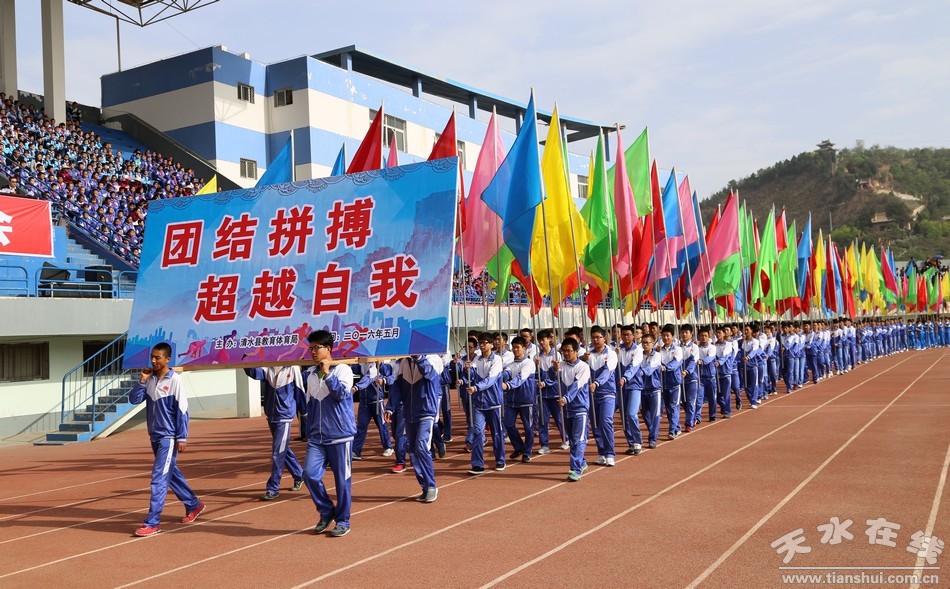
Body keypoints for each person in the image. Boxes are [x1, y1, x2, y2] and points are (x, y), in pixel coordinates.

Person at [129, 342, 205, 537]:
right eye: (152, 357)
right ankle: (193, 504)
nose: (154, 361)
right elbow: (134, 400)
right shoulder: (150, 379)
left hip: (168, 437)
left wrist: (182, 436)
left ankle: (152, 522)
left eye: (158, 358)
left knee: (159, 478)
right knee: (170, 473)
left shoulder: (175, 380)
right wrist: (142, 380)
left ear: (168, 359)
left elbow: (182, 410)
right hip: (154, 435)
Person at [301, 330, 355, 537]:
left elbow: (341, 394)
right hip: (317, 437)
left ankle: (343, 520)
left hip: (341, 436)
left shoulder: (343, 370)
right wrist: (309, 431)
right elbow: (310, 405)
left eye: (317, 348)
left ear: (329, 349)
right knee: (309, 475)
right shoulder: (311, 375)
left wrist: (328, 373)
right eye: (311, 348)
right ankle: (326, 510)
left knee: (342, 481)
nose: (313, 352)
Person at [385, 355, 444, 503]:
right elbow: (397, 387)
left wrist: (419, 358)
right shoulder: (404, 362)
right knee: (413, 451)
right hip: (409, 413)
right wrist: (390, 407)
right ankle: (425, 487)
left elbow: (429, 373)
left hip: (426, 411)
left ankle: (431, 486)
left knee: (421, 446)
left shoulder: (432, 359)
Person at [243, 366, 306, 500]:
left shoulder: (293, 368)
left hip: (285, 416)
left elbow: (300, 391)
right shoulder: (267, 366)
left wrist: (305, 413)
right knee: (283, 449)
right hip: (272, 416)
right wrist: (244, 360)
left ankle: (273, 488)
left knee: (278, 453)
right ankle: (300, 475)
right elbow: (254, 373)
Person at [463, 332, 506, 474]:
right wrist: (467, 370)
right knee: (477, 433)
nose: (481, 345)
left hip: (493, 403)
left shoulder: (497, 360)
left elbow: (490, 380)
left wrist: (476, 388)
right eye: (480, 343)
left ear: (491, 344)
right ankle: (477, 464)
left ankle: (500, 460)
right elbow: (470, 377)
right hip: (478, 403)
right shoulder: (477, 359)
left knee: (497, 433)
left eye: (484, 343)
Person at [555, 338, 591, 481]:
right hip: (566, 409)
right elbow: (552, 379)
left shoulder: (583, 367)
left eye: (569, 351)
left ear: (576, 351)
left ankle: (575, 470)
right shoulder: (561, 366)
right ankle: (582, 462)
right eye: (564, 351)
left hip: (580, 408)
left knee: (578, 439)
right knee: (572, 440)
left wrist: (566, 398)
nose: (566, 353)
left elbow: (577, 385)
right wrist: (553, 370)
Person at [587, 326, 618, 466]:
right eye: (593, 337)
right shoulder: (589, 355)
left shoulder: (611, 354)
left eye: (598, 337)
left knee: (606, 421)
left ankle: (610, 453)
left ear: (604, 338)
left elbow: (607, 372)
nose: (595, 340)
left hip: (607, 393)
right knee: (595, 424)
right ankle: (602, 452)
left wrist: (597, 383)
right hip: (592, 394)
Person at [502, 336, 536, 463]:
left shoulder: (529, 363)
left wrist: (508, 385)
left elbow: (521, 378)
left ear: (524, 348)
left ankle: (527, 452)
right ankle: (519, 447)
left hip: (526, 400)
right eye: (514, 347)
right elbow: (505, 374)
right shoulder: (510, 365)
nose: (515, 350)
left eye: (518, 347)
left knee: (528, 427)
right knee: (508, 423)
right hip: (511, 400)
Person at [351, 361, 394, 461]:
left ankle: (388, 446)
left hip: (376, 400)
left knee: (381, 425)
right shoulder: (361, 364)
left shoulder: (375, 365)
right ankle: (356, 450)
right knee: (361, 426)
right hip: (364, 401)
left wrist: (356, 387)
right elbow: (353, 369)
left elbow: (369, 377)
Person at [535, 329, 568, 454]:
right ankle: (544, 445)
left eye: (543, 340)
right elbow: (535, 375)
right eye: (539, 340)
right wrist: (536, 366)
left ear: (549, 339)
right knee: (543, 420)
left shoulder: (556, 355)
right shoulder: (537, 356)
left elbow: (557, 375)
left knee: (559, 418)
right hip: (542, 393)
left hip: (555, 392)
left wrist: (545, 383)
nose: (541, 343)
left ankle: (565, 439)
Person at [617, 324, 644, 455]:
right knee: (624, 416)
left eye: (628, 335)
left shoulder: (638, 350)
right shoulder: (618, 350)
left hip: (634, 386)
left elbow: (634, 367)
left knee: (631, 413)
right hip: (620, 387)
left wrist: (625, 378)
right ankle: (631, 442)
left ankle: (637, 441)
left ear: (633, 336)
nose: (626, 337)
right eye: (624, 335)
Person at [659, 325, 683, 439]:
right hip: (663, 383)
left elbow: (676, 363)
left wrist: (665, 367)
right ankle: (676, 427)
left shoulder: (677, 350)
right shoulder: (659, 350)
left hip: (674, 383)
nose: (666, 338)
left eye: (668, 335)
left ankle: (672, 430)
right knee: (668, 408)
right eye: (663, 335)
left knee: (673, 406)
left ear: (672, 337)